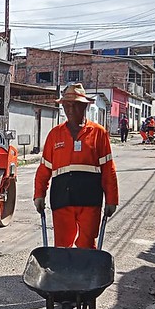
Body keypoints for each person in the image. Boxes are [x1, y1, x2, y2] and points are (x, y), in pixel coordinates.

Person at [34, 83, 119, 250]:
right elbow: (44, 169)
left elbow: (108, 169)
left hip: (90, 198)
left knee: (87, 244)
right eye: (67, 105)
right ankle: (65, 274)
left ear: (85, 106)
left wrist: (111, 199)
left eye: (75, 105)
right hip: (61, 198)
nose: (70, 109)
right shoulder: (55, 134)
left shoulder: (98, 133)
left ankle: (85, 274)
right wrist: (39, 194)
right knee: (62, 245)